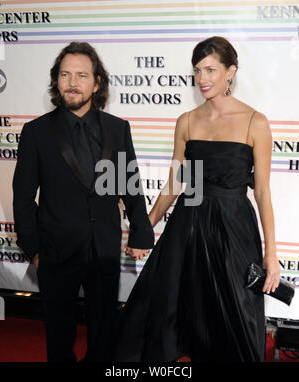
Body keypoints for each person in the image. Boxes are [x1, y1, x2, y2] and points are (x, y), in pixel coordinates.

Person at [113, 36, 281, 362]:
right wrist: (144, 228)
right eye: (197, 71)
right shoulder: (186, 121)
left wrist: (271, 254)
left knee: (237, 315)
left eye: (211, 70)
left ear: (230, 71)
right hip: (187, 225)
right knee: (169, 308)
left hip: (234, 230)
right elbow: (175, 183)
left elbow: (262, 191)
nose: (202, 79)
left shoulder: (254, 122)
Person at [12, 41, 154, 362]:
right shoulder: (36, 132)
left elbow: (129, 185)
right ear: (56, 80)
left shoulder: (118, 129)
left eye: (81, 75)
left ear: (96, 82)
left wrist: (141, 232)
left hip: (104, 249)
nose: (73, 83)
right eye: (65, 75)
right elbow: (22, 197)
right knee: (59, 337)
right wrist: (34, 250)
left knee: (104, 335)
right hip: (56, 252)